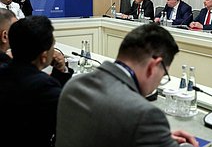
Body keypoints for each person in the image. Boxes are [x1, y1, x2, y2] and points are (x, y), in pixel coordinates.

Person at [56, 23, 198, 147]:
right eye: (163, 76)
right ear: (153, 66)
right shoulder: (144, 115)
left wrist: (155, 137)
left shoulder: (73, 85)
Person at [0, 16, 73, 147]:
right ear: (44, 57)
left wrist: (61, 71)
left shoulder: (4, 71)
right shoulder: (45, 89)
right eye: (53, 45)